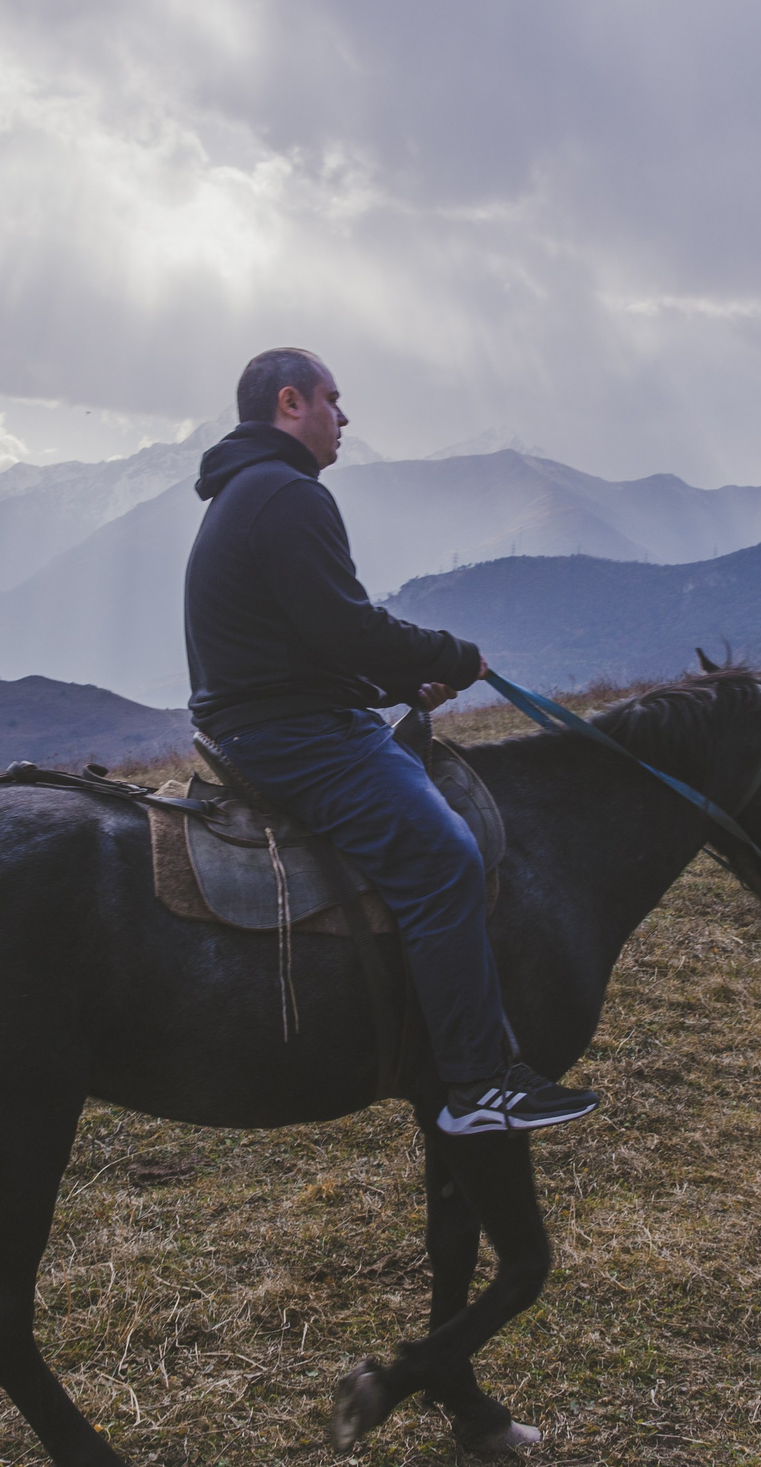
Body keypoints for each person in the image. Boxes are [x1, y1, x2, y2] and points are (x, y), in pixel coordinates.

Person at [183, 347, 599, 1136]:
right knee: (444, 857)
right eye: (334, 401)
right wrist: (447, 656)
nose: (345, 418)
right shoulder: (287, 494)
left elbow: (308, 643)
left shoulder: (246, 492)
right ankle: (480, 1085)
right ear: (291, 402)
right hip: (292, 736)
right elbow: (346, 625)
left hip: (262, 719)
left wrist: (399, 686)